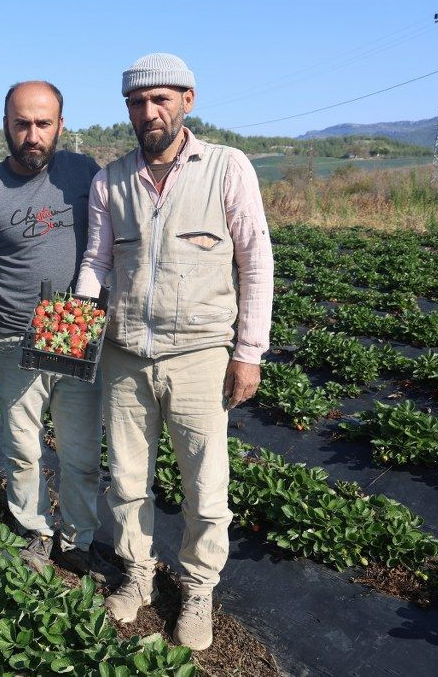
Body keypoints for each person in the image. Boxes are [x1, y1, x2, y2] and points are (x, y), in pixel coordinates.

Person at [76, 53, 274, 650]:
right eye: (137, 103)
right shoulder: (111, 179)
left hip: (200, 356)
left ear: (187, 99)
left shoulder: (225, 168)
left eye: (160, 99)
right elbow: (97, 261)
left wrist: (250, 351)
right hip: (126, 352)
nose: (149, 112)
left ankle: (195, 589)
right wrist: (79, 322)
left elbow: (255, 260)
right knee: (127, 478)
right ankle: (136, 574)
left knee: (205, 486)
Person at [0, 81, 115, 582]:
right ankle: (34, 528)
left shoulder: (84, 173)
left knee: (81, 451)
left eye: (42, 124)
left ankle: (78, 539)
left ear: (60, 126)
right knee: (22, 448)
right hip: (13, 339)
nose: (32, 135)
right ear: (5, 125)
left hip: (77, 337)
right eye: (21, 123)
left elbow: (110, 240)